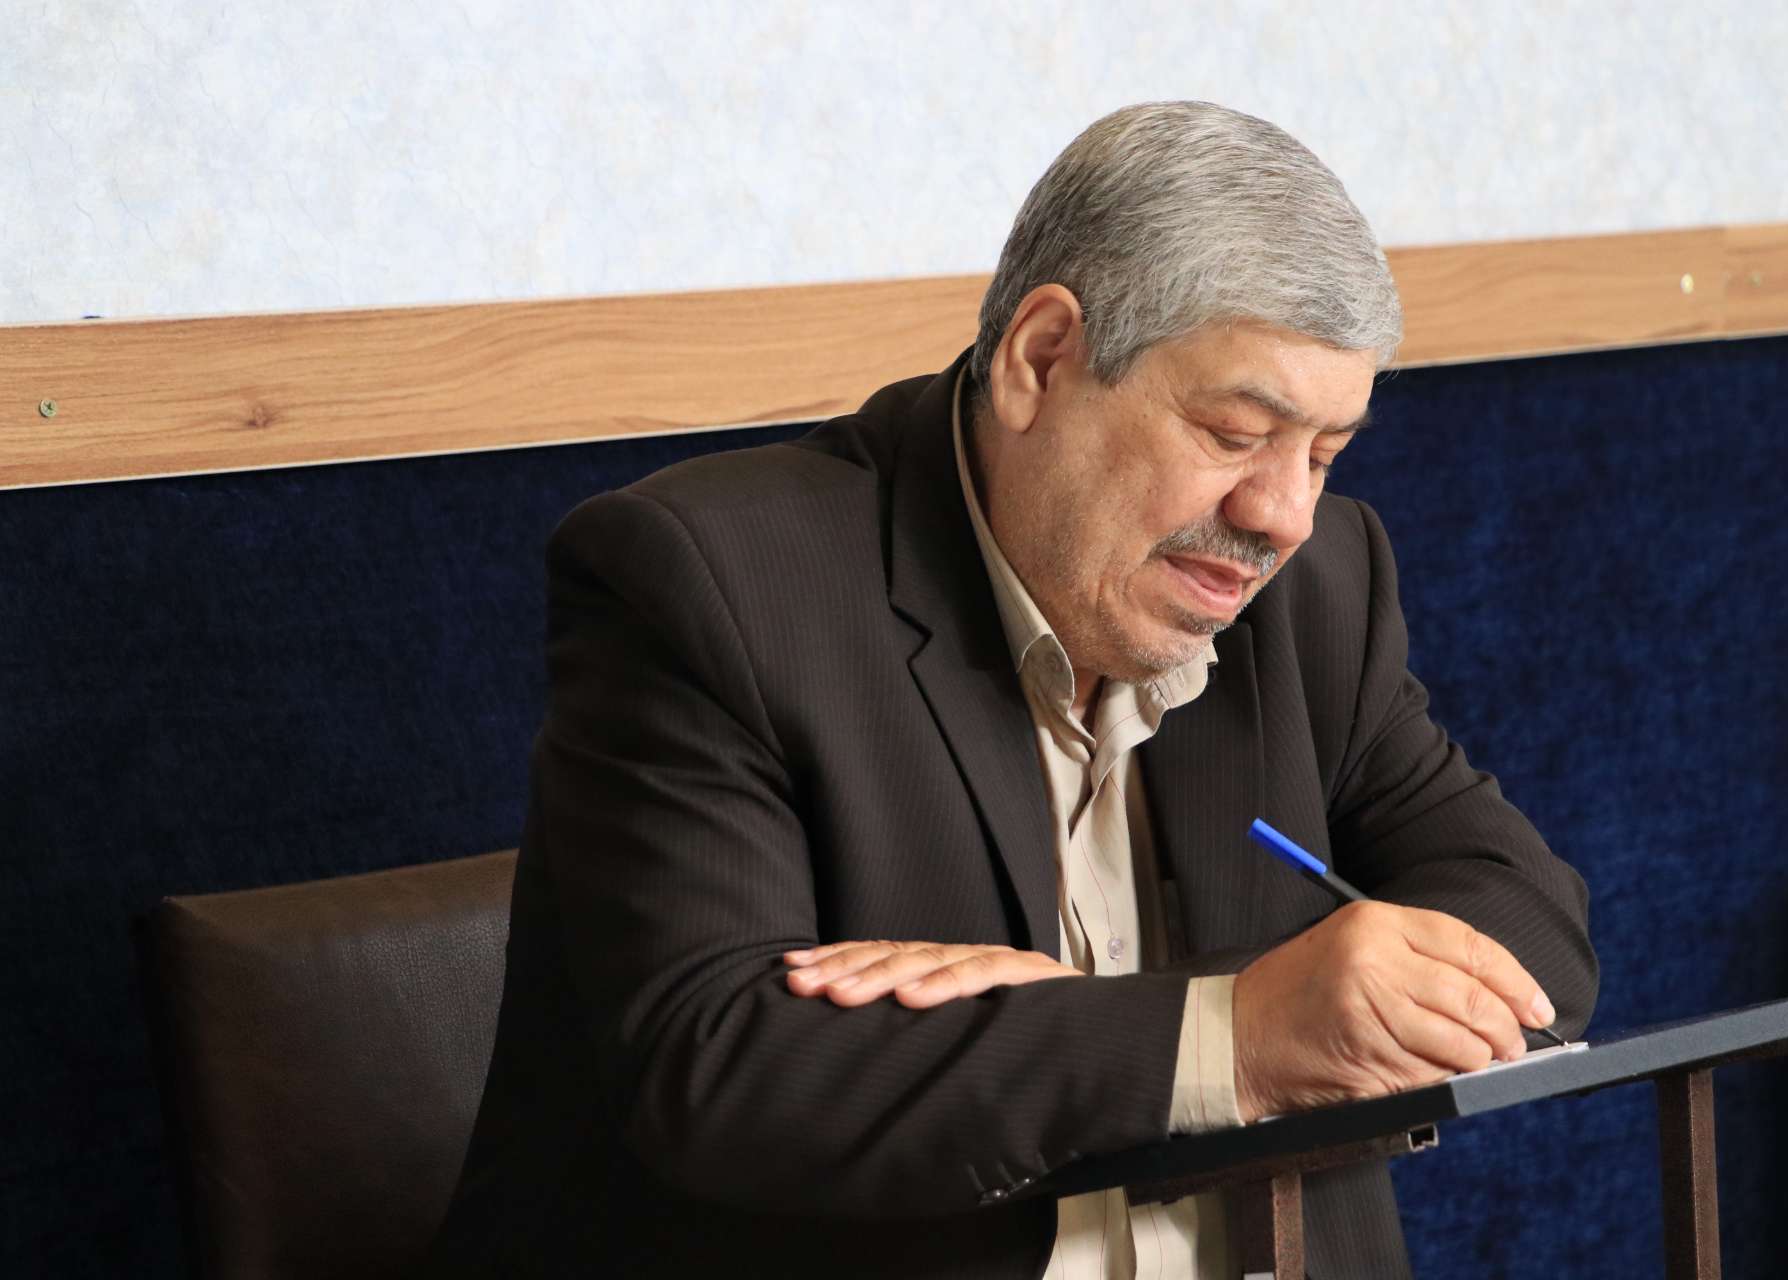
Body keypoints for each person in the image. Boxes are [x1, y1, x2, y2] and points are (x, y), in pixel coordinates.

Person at [429, 101, 1598, 1279]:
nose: (1283, 514)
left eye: (1326, 452)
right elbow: (720, 1062)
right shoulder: (717, 581)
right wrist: (1237, 1031)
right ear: (1041, 359)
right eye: (1238, 432)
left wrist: (1132, 1008)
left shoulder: (1316, 589)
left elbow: (1527, 915)